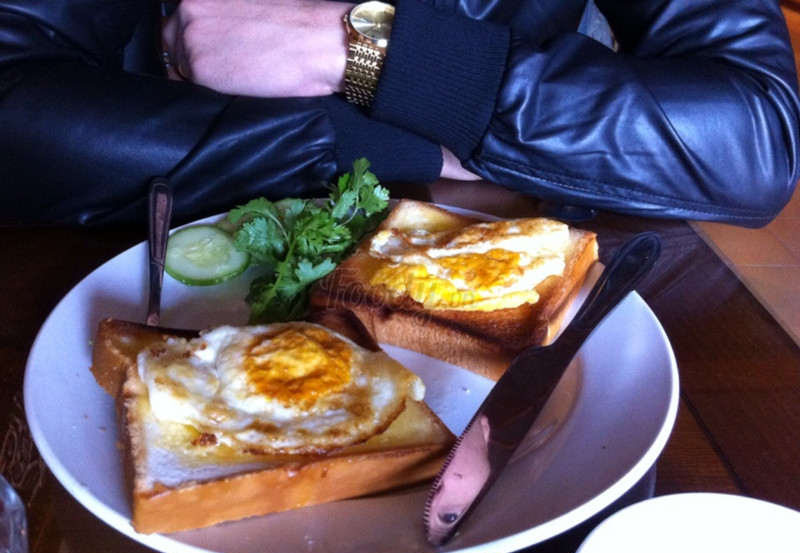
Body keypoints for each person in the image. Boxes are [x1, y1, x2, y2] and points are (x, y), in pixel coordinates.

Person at [1, 0, 798, 227]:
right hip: (141, 261)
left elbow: (754, 140)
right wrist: (369, 142)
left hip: (470, 285)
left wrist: (362, 50)